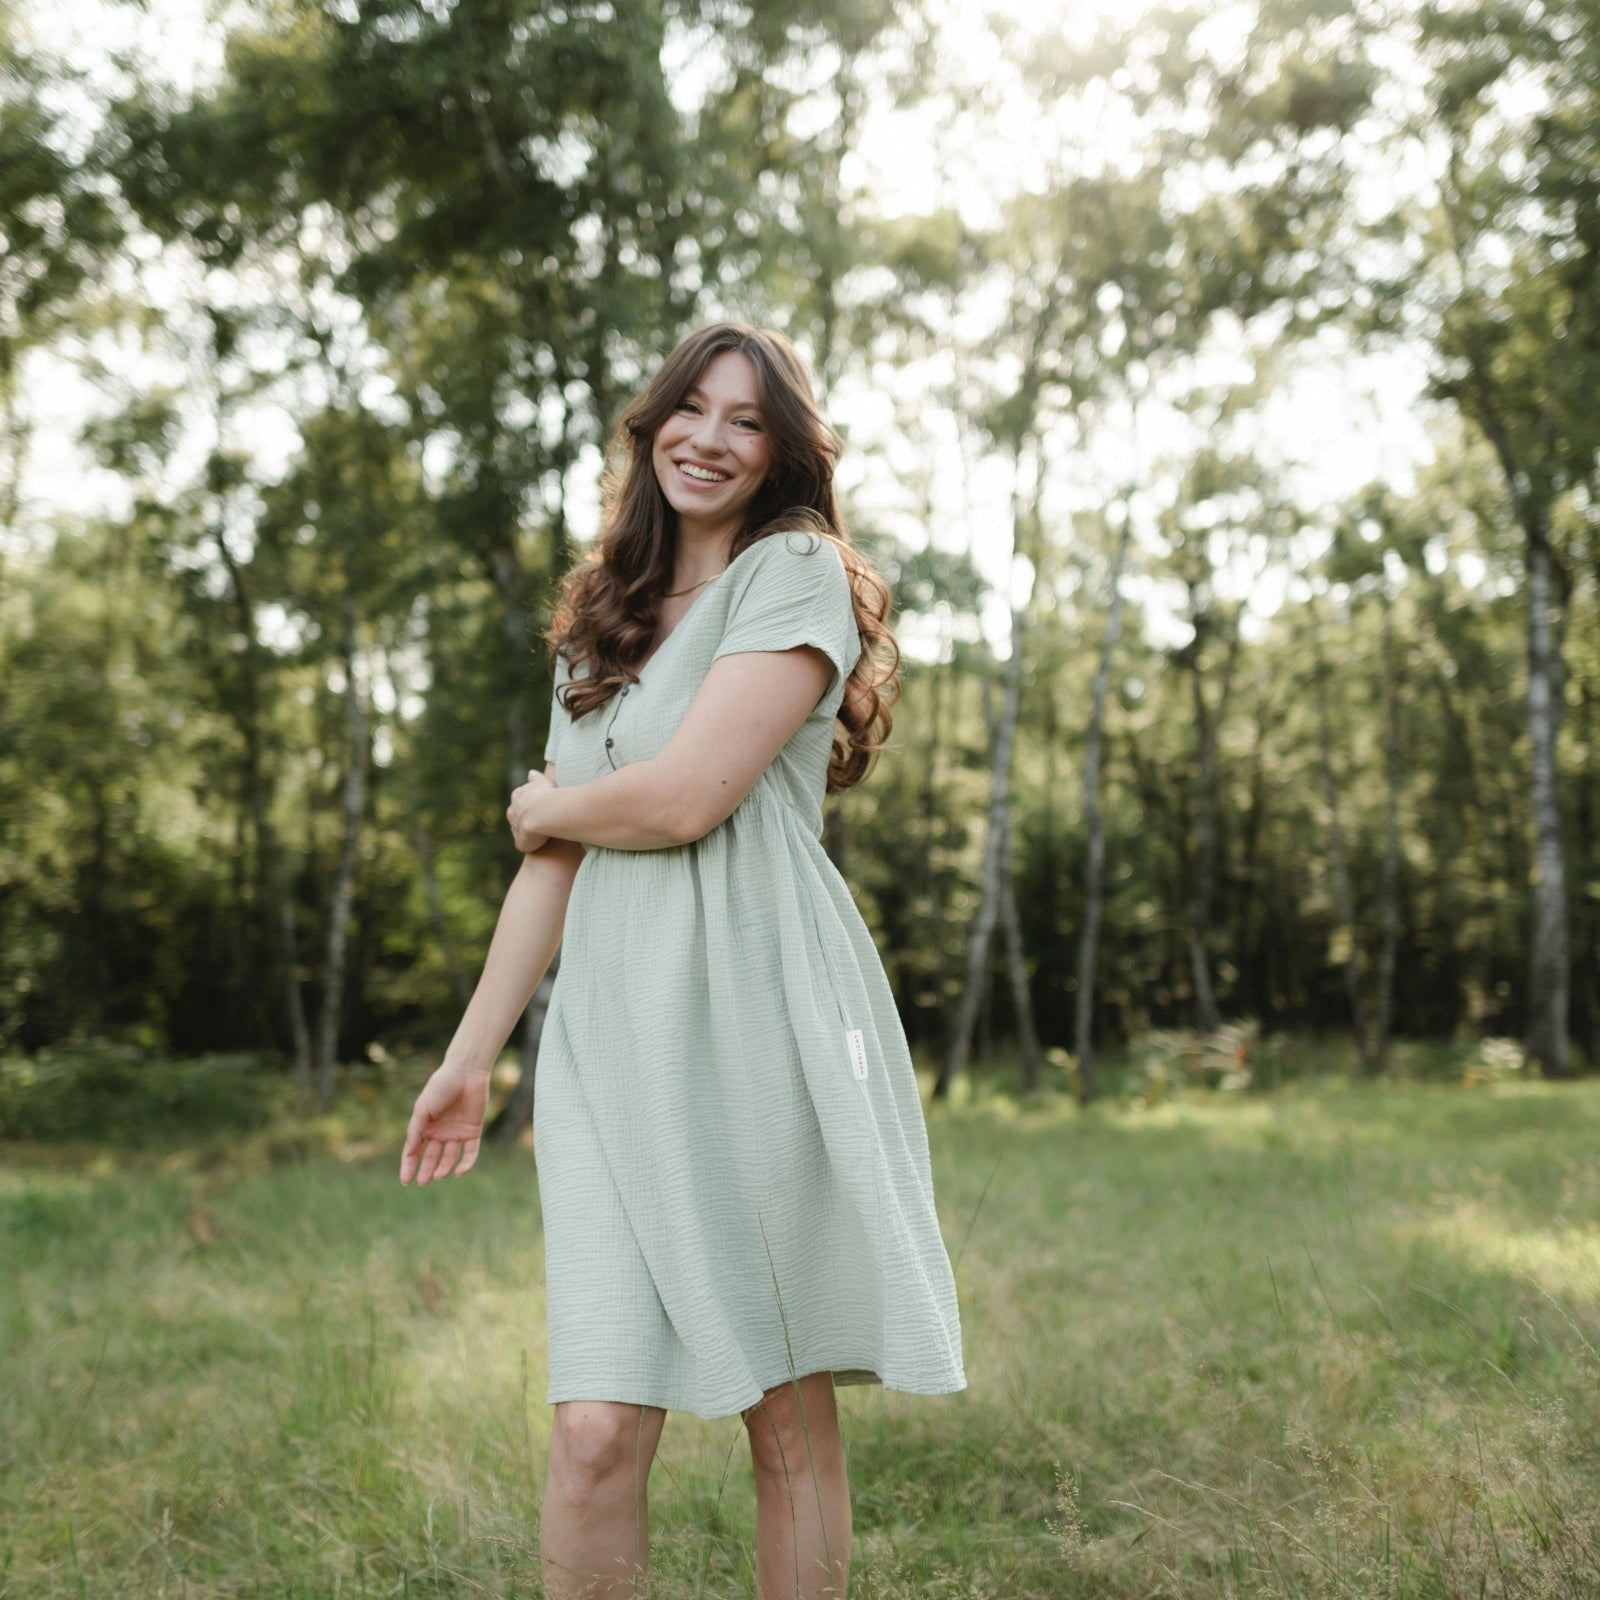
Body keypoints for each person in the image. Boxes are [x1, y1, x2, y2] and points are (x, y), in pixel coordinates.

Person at [399, 322, 965, 1599]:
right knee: (595, 1429)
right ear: (652, 426)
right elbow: (553, 863)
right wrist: (469, 1059)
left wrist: (549, 804)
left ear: (781, 452)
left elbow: (684, 798)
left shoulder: (793, 572)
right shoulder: (599, 619)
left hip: (753, 1016)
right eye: (690, 410)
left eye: (746, 419)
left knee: (783, 1414)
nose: (709, 439)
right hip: (605, 1039)